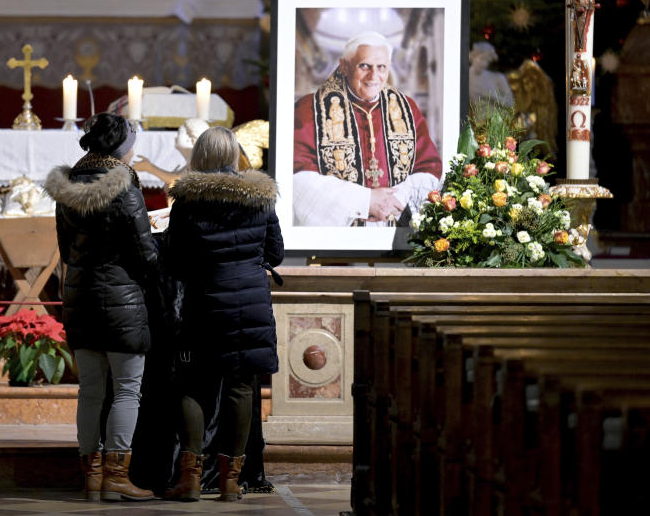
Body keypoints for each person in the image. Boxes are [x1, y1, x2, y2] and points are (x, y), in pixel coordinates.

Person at [163, 126, 284, 502]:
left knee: (193, 384)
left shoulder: (187, 200)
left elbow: (174, 258)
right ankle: (231, 481)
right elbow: (275, 253)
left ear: (200, 156)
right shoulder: (260, 197)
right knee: (241, 386)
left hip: (204, 301)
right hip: (249, 304)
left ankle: (191, 478)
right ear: (233, 155)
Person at [45, 113, 159, 503]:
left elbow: (65, 250)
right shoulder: (123, 185)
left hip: (80, 297)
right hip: (122, 301)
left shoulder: (68, 185)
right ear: (122, 147)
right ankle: (116, 476)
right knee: (127, 390)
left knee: (90, 390)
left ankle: (91, 476)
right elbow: (146, 253)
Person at [292, 31, 442, 226]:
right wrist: (365, 201)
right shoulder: (310, 109)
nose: (374, 76)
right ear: (344, 66)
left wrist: (394, 201)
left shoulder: (407, 108)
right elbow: (298, 177)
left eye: (381, 67)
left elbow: (429, 167)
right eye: (364, 66)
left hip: (394, 230)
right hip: (340, 238)